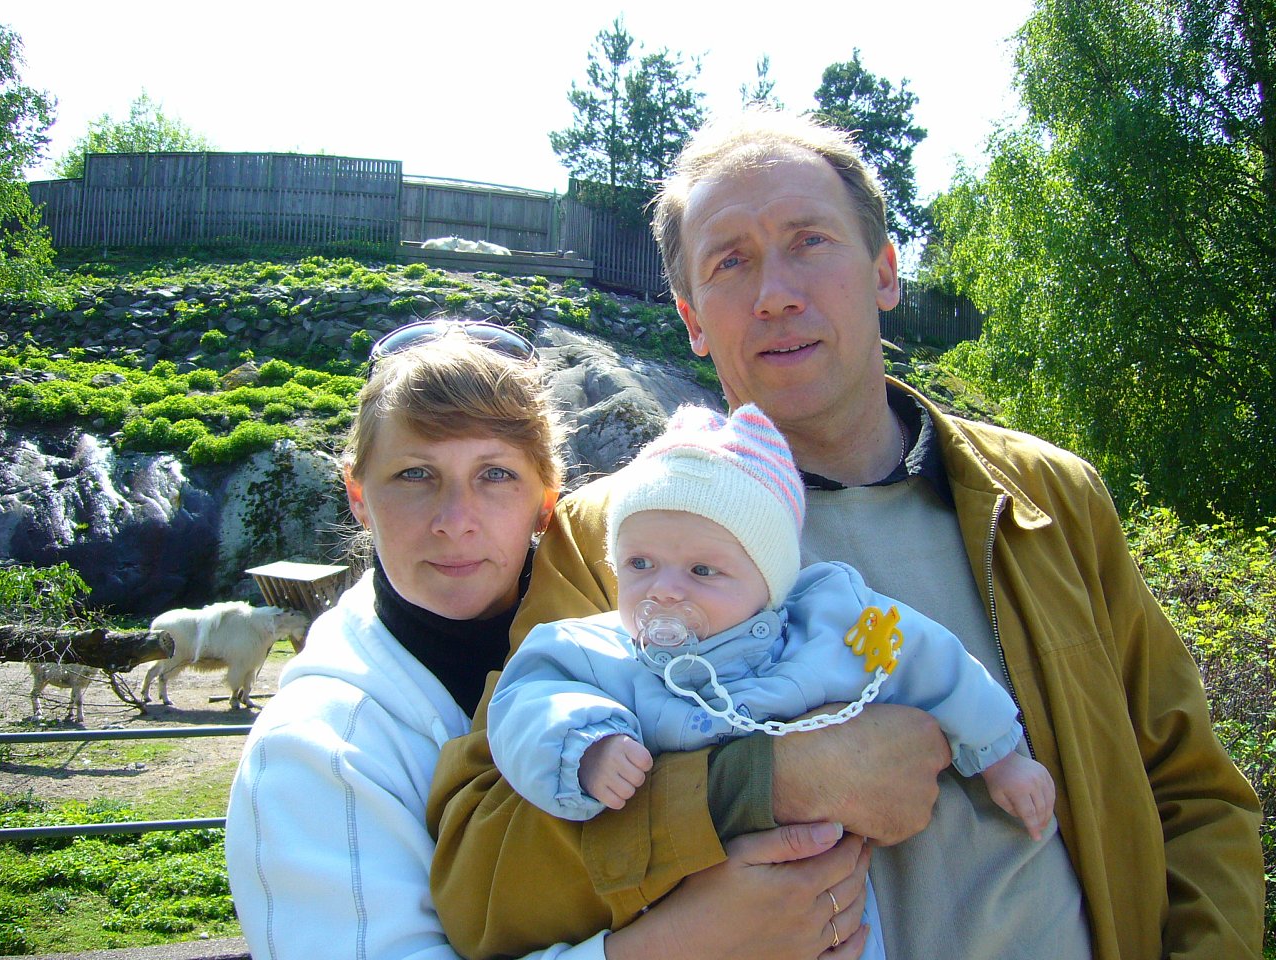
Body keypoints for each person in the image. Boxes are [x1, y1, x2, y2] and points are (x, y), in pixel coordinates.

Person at [428, 110, 1265, 960]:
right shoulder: (611, 541)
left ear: (885, 272)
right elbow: (486, 878)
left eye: (810, 241)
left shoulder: (1049, 500)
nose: (776, 293)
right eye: (730, 262)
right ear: (692, 319)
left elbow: (1193, 796)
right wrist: (768, 782)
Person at [224, 317, 869, 960]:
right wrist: (684, 944)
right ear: (358, 496)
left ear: (546, 500)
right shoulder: (315, 749)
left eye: (495, 475)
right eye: (415, 474)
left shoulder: (649, 630)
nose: (455, 520)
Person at [489, 402, 1056, 960]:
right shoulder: (603, 652)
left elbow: (929, 657)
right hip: (689, 912)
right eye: (640, 564)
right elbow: (530, 698)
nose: (663, 590)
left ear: (769, 583)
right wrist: (587, 747)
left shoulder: (829, 625)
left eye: (703, 570)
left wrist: (998, 755)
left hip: (831, 899)